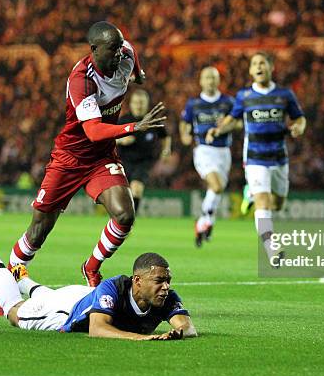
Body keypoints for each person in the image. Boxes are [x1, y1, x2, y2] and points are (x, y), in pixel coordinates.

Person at [0, 21, 167, 316]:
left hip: (101, 158)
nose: (118, 54)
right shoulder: (80, 80)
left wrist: (138, 74)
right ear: (94, 50)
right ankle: (3, 292)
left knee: (125, 214)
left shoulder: (126, 54)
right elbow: (94, 131)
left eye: (120, 47)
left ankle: (92, 266)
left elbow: (135, 64)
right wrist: (135, 125)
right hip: (70, 158)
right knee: (39, 230)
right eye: (112, 50)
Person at [0, 223, 197, 340]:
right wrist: (146, 338)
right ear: (137, 280)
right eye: (159, 280)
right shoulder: (115, 287)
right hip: (67, 311)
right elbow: (97, 329)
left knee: (47, 297)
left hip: (83, 297)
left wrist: (176, 332)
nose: (165, 286)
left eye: (168, 280)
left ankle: (24, 281)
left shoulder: (166, 296)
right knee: (13, 311)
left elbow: (186, 327)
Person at [206, 52, 306, 261]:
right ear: (251, 71)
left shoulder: (285, 95)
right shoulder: (244, 96)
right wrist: (218, 130)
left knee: (277, 204)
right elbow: (232, 119)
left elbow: (299, 118)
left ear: (271, 67)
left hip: (279, 157)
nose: (259, 67)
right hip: (254, 158)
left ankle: (248, 192)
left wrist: (298, 128)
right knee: (264, 202)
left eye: (263, 63)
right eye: (255, 64)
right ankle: (272, 249)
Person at [179, 67, 236, 247]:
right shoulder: (193, 104)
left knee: (216, 190)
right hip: (204, 150)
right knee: (217, 186)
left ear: (218, 81)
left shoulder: (228, 102)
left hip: (224, 151)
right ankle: (207, 221)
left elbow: (238, 122)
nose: (210, 81)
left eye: (213, 77)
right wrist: (184, 135)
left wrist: (222, 128)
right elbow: (184, 123)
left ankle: (204, 222)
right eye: (207, 78)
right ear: (201, 81)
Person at [116, 89, 172, 214]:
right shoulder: (123, 121)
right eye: (136, 103)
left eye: (141, 103)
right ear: (131, 104)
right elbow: (108, 139)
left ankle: (129, 220)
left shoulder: (153, 121)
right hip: (124, 162)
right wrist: (120, 140)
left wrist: (166, 150)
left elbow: (165, 136)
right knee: (123, 194)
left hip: (144, 162)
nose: (139, 106)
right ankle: (121, 219)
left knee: (136, 189)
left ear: (147, 104)